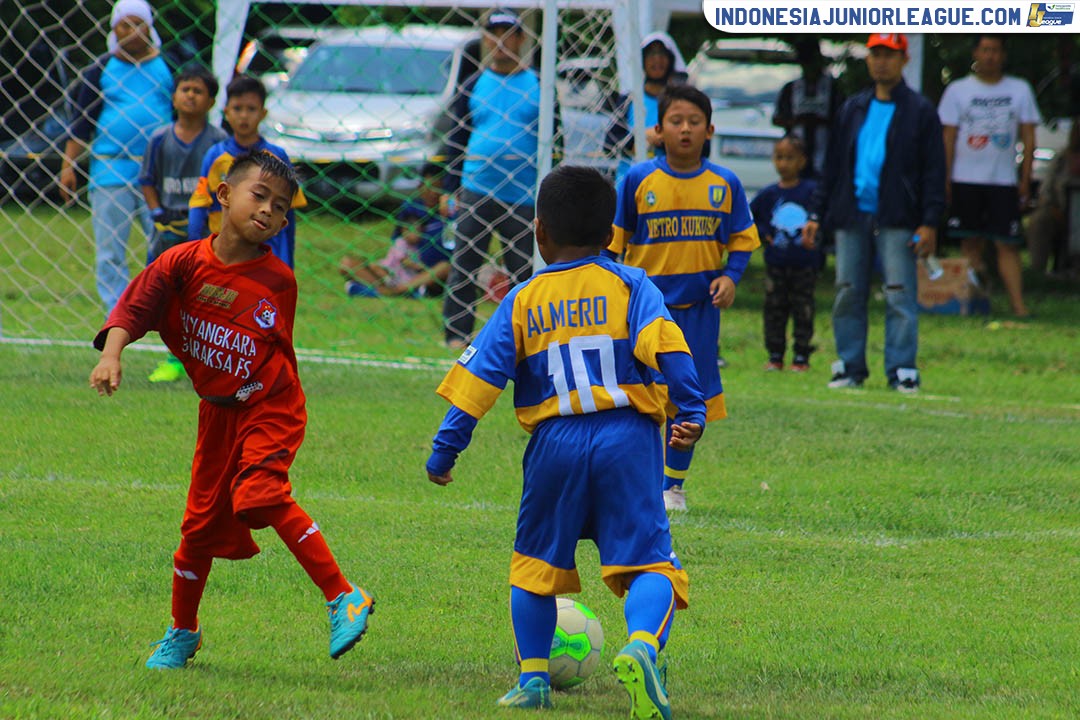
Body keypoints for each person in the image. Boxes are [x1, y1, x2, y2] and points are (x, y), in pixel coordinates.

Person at [425, 165, 705, 717]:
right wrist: (690, 406)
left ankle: (532, 682)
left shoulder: (524, 298)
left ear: (538, 232)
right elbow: (666, 345)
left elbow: (481, 380)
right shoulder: (632, 285)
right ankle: (644, 647)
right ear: (611, 235)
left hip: (554, 443)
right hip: (627, 439)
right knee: (651, 563)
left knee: (534, 566)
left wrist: (445, 449)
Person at [89, 152, 374, 669]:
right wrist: (112, 353)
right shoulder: (181, 262)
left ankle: (343, 595)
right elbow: (135, 305)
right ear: (223, 196)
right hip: (218, 413)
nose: (268, 211)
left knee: (260, 495)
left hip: (271, 405)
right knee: (197, 529)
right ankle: (182, 632)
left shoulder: (278, 281)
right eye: (258, 196)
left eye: (280, 207)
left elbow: (271, 352)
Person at [607, 83, 760, 513]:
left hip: (698, 313)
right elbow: (613, 245)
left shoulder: (724, 183)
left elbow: (743, 240)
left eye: (694, 122)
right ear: (658, 130)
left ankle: (673, 486)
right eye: (676, 121)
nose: (685, 130)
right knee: (640, 396)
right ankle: (639, 480)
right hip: (646, 311)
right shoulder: (637, 179)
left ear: (709, 130)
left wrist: (731, 276)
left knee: (690, 396)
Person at [803, 33, 945, 393]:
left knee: (899, 294)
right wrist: (817, 213)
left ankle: (902, 370)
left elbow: (933, 171)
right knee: (847, 292)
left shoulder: (920, 110)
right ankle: (849, 367)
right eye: (876, 54)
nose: (882, 61)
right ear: (867, 59)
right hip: (852, 216)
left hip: (898, 217)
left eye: (889, 54)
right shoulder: (853, 107)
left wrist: (929, 222)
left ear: (903, 59)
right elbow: (832, 166)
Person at [439, 8, 551, 349]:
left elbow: (554, 141)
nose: (500, 40)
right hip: (477, 188)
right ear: (485, 39)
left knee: (525, 270)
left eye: (508, 33)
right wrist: (448, 189)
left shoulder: (539, 86)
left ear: (520, 38)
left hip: (523, 194)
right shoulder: (473, 84)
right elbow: (456, 139)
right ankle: (456, 336)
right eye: (493, 33)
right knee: (464, 265)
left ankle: (527, 335)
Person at [60, 0, 173, 313]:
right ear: (113, 29)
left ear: (150, 28)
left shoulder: (168, 66)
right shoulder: (100, 70)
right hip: (111, 171)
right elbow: (82, 123)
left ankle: (166, 309)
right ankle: (118, 314)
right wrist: (68, 166)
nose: (132, 31)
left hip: (160, 171)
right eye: (125, 24)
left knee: (165, 244)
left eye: (139, 24)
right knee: (110, 251)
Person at [938, 35, 1040, 318]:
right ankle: (970, 303)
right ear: (976, 53)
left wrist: (1025, 177)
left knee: (1007, 244)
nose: (990, 56)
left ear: (1003, 55)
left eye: (995, 50)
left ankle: (1018, 306)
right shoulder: (958, 91)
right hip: (965, 178)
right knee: (969, 242)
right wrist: (945, 177)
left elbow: (1029, 137)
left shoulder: (1020, 90)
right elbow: (948, 137)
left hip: (1003, 180)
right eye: (985, 50)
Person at [140, 66, 228, 383]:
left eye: (198, 91)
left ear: (211, 101)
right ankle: (173, 358)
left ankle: (210, 359)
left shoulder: (219, 142)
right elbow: (147, 180)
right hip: (168, 232)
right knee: (168, 297)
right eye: (185, 89)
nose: (190, 95)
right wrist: (155, 211)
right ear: (174, 97)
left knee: (208, 296)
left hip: (206, 233)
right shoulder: (160, 139)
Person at [188, 75, 307, 268]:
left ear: (263, 113)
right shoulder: (214, 156)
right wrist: (194, 245)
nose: (244, 115)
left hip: (266, 253)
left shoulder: (277, 157)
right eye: (237, 108)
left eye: (251, 109)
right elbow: (200, 203)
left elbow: (287, 213)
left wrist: (286, 262)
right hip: (223, 253)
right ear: (226, 112)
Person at [750, 135, 823, 371]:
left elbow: (823, 219)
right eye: (779, 157)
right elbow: (751, 218)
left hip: (805, 264)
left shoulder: (812, 192)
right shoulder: (768, 195)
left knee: (803, 309)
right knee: (774, 309)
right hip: (776, 264)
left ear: (802, 161)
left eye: (790, 158)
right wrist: (764, 233)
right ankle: (775, 355)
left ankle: (801, 355)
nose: (784, 163)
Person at [338, 163, 453, 298]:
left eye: (439, 188)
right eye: (430, 187)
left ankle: (393, 291)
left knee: (445, 267)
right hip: (400, 272)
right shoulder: (410, 207)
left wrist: (450, 213)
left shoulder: (453, 212)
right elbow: (399, 246)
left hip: (430, 274)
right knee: (347, 264)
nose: (434, 193)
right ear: (420, 187)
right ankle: (401, 291)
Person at [604, 32, 688, 181]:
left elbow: (702, 145)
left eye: (662, 55)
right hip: (630, 183)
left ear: (671, 61)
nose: (657, 60)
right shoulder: (628, 100)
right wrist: (639, 139)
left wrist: (664, 138)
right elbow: (609, 143)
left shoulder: (682, 102)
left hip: (670, 183)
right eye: (651, 54)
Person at [772, 39, 844, 179]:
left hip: (826, 154)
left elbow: (844, 119)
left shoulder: (833, 88)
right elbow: (777, 118)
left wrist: (820, 121)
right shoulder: (791, 88)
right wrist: (799, 121)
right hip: (796, 156)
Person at [1026, 118, 1080, 275]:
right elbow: (1046, 192)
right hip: (1060, 211)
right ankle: (1037, 271)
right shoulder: (1061, 160)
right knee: (1039, 221)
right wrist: (1054, 209)